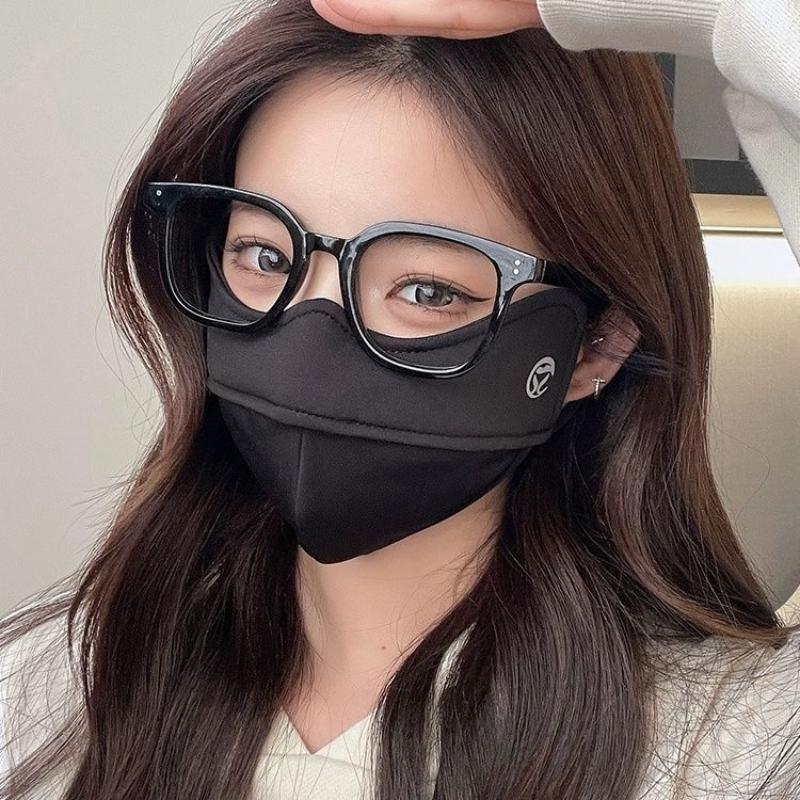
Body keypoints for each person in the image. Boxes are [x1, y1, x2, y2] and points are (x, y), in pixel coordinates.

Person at [1, 1, 798, 799]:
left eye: (426, 290)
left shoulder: (731, 746)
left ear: (595, 345)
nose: (310, 345)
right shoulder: (53, 691)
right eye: (265, 256)